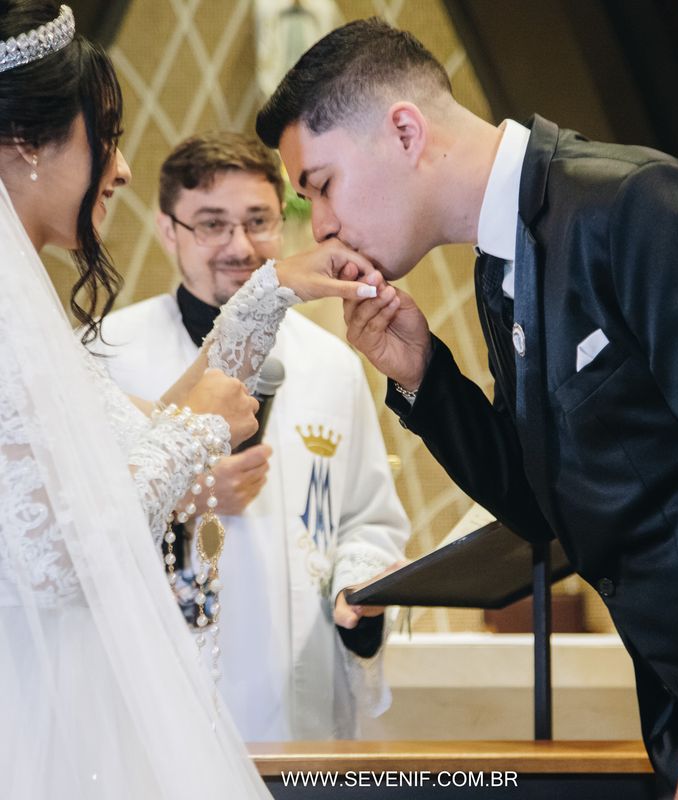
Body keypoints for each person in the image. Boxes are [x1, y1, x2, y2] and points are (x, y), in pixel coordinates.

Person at [256, 17, 678, 800]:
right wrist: (425, 380)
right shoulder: (499, 271)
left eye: (322, 186)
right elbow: (548, 509)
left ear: (405, 131)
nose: (325, 226)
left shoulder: (640, 205)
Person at [0, 3, 376, 797]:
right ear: (28, 145)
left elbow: (128, 437)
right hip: (50, 710)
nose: (124, 168)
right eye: (107, 133)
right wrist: (195, 437)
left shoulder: (23, 312)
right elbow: (51, 559)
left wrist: (269, 294)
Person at [93, 130, 410, 740]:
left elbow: (368, 523)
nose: (239, 246)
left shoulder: (333, 366)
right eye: (211, 224)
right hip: (161, 700)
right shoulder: (109, 355)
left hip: (298, 693)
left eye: (259, 220)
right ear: (168, 232)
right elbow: (71, 531)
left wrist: (360, 595)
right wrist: (184, 491)